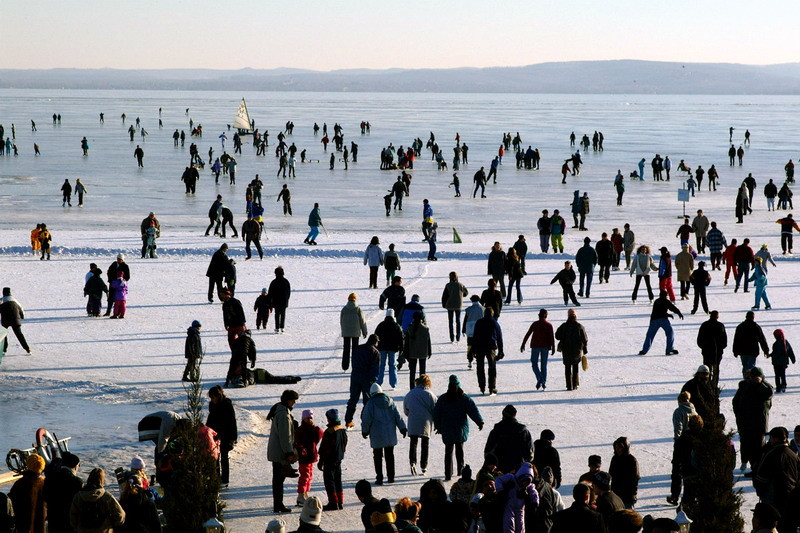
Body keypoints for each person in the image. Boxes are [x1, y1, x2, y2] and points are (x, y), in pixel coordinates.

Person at [433, 375, 484, 481]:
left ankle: (448, 473)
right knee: (459, 449)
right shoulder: (464, 398)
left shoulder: (443, 398)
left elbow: (436, 413)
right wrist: (479, 421)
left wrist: (438, 426)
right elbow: (472, 410)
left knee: (448, 451)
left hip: (447, 429)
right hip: (460, 429)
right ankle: (460, 471)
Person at [361, 383, 407, 485]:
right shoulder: (391, 402)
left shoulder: (370, 404)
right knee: (389, 456)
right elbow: (398, 416)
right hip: (389, 434)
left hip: (377, 435)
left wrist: (365, 431)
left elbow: (366, 419)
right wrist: (402, 428)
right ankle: (391, 477)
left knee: (377, 456)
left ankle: (379, 478)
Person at [733, 368, 773, 476]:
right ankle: (753, 467)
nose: (753, 379)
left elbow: (768, 394)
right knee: (747, 445)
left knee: (759, 448)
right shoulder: (744, 386)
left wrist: (759, 383)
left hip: (759, 424)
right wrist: (739, 416)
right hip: (745, 423)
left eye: (755, 377)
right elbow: (736, 402)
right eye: (751, 377)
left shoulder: (766, 387)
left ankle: (758, 469)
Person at [753, 426, 800, 514]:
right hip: (791, 495)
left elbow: (762, 477)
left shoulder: (771, 454)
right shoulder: (793, 455)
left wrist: (760, 491)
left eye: (771, 438)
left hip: (773, 497)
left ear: (775, 439)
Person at [267, 390, 300, 514]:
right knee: (278, 480)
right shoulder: (283, 414)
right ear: (288, 400)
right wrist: (289, 452)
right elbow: (285, 435)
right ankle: (278, 505)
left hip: (276, 451)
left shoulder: (280, 410)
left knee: (278, 479)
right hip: (279, 452)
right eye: (293, 400)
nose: (294, 403)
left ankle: (278, 504)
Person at [69, 467, 125, 532]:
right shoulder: (107, 497)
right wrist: (109, 524)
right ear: (102, 480)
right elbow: (120, 516)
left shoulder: (78, 496)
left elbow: (72, 518)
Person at [484, 404, 533, 474]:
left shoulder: (496, 431)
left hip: (500, 470)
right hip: (519, 469)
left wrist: (491, 465)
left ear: (503, 415)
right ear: (515, 415)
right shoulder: (524, 431)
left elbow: (488, 451)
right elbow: (530, 452)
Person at [344, 334, 380, 429]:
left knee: (353, 399)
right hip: (367, 379)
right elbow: (375, 368)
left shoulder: (358, 348)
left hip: (355, 376)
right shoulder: (375, 352)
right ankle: (365, 420)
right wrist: (374, 380)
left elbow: (353, 361)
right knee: (367, 401)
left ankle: (348, 421)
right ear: (375, 342)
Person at [403, 375, 437, 476]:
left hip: (413, 420)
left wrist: (410, 414)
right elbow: (435, 409)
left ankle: (412, 462)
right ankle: (424, 465)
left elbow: (406, 409)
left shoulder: (410, 394)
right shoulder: (430, 394)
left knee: (413, 442)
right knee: (425, 443)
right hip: (425, 421)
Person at [42, 451, 82, 533]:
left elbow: (45, 496)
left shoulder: (50, 478)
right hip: (69, 522)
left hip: (54, 519)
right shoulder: (77, 482)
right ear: (75, 466)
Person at [207, 385, 237, 487]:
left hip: (226, 435)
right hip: (215, 435)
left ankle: (225, 480)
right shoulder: (212, 405)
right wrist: (207, 430)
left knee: (224, 457)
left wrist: (233, 437)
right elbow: (210, 419)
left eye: (213, 397)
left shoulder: (227, 405)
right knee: (215, 457)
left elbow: (232, 421)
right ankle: (216, 477)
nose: (212, 399)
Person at [319, 409, 348, 511]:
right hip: (338, 459)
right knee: (338, 481)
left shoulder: (329, 431)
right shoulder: (342, 429)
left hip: (329, 460)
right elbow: (345, 443)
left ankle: (333, 502)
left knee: (329, 481)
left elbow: (324, 448)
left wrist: (321, 460)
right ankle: (340, 502)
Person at [638, 290, 683, 356]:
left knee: (650, 335)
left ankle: (644, 351)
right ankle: (669, 349)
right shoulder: (666, 301)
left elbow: (658, 311)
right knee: (670, 332)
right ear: (665, 296)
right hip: (663, 320)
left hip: (654, 320)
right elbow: (672, 308)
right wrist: (679, 313)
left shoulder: (656, 301)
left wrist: (667, 315)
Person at [471, 307, 504, 395]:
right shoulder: (495, 323)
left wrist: (472, 350)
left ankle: (482, 387)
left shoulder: (479, 322)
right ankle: (491, 388)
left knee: (480, 368)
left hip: (479, 348)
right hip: (491, 348)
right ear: (492, 314)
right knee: (492, 368)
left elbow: (475, 337)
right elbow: (499, 338)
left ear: (484, 313)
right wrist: (501, 351)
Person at [9, 454, 46, 533]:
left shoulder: (20, 484)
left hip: (23, 524)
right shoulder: (45, 483)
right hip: (41, 524)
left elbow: (11, 502)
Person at [520, 309, 555, 391]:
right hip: (545, 347)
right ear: (546, 316)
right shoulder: (549, 325)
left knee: (534, 363)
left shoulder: (535, 324)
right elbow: (551, 337)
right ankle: (543, 382)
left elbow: (528, 334)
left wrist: (523, 344)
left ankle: (540, 378)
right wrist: (553, 347)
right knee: (544, 365)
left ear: (539, 315)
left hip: (535, 346)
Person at [295, 410, 324, 505]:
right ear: (304, 418)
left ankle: (305, 493)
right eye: (308, 418)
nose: (310, 419)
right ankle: (300, 495)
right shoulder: (300, 430)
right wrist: (301, 449)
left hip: (311, 456)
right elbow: (297, 442)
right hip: (304, 457)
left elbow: (320, 434)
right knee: (304, 476)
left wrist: (314, 426)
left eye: (311, 417)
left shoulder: (313, 429)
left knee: (309, 476)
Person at [555, 309, 588, 391]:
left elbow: (557, 336)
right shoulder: (579, 326)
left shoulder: (564, 326)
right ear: (576, 316)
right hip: (577, 351)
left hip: (566, 350)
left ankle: (569, 385)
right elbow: (585, 339)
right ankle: (575, 384)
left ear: (568, 316)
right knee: (575, 367)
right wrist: (583, 347)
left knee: (567, 367)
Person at [733, 311, 770, 377]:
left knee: (745, 366)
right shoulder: (756, 327)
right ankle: (751, 381)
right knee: (751, 366)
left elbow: (736, 340)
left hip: (743, 351)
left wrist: (735, 351)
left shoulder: (740, 326)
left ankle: (746, 380)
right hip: (753, 350)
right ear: (753, 317)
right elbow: (762, 339)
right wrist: (766, 350)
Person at [696, 311, 727, 387]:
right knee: (716, 369)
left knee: (707, 369)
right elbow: (724, 340)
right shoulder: (720, 325)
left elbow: (699, 339)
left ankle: (707, 384)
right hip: (717, 352)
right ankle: (714, 385)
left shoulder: (704, 325)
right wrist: (721, 348)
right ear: (717, 316)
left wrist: (703, 347)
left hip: (706, 351)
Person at [402, 312, 432, 390]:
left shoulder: (410, 328)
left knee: (412, 372)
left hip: (412, 352)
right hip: (423, 352)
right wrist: (429, 351)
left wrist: (406, 353)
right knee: (422, 371)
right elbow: (428, 341)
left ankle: (412, 388)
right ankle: (423, 387)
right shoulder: (425, 329)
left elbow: (407, 343)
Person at [374, 309, 402, 389]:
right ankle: (393, 383)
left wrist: (376, 346)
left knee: (381, 365)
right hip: (393, 349)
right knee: (392, 365)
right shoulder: (396, 326)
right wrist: (401, 348)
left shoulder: (381, 325)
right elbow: (400, 338)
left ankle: (378, 382)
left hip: (382, 348)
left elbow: (376, 335)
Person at [609, 437, 639, 510]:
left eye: (620, 447)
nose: (618, 449)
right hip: (616, 493)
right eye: (616, 447)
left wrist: (633, 494)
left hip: (627, 495)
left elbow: (635, 479)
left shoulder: (631, 460)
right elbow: (611, 474)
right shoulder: (615, 459)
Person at [341, 293, 368, 371]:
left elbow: (341, 320)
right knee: (355, 350)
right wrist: (364, 332)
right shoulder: (358, 309)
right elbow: (363, 321)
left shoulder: (344, 309)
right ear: (355, 299)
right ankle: (355, 365)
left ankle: (345, 366)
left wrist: (343, 330)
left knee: (346, 349)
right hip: (355, 332)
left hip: (346, 332)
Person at [1, 287, 31, 354]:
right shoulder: (15, 300)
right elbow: (21, 310)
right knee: (19, 334)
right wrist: (22, 317)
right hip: (15, 320)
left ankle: (4, 350)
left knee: (4, 335)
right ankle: (27, 349)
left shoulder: (2, 300)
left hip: (5, 320)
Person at [441, 272, 468, 343]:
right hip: (458, 305)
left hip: (450, 305)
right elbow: (466, 293)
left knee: (450, 321)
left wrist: (444, 304)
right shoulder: (460, 285)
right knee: (458, 321)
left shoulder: (448, 285)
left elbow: (444, 296)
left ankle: (452, 337)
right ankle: (458, 337)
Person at [768, 329, 795, 393]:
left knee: (777, 375)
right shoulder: (786, 342)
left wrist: (770, 355)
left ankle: (778, 387)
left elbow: (776, 353)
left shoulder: (775, 344)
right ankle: (784, 385)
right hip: (783, 362)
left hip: (776, 363)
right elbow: (790, 351)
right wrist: (793, 359)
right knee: (783, 374)